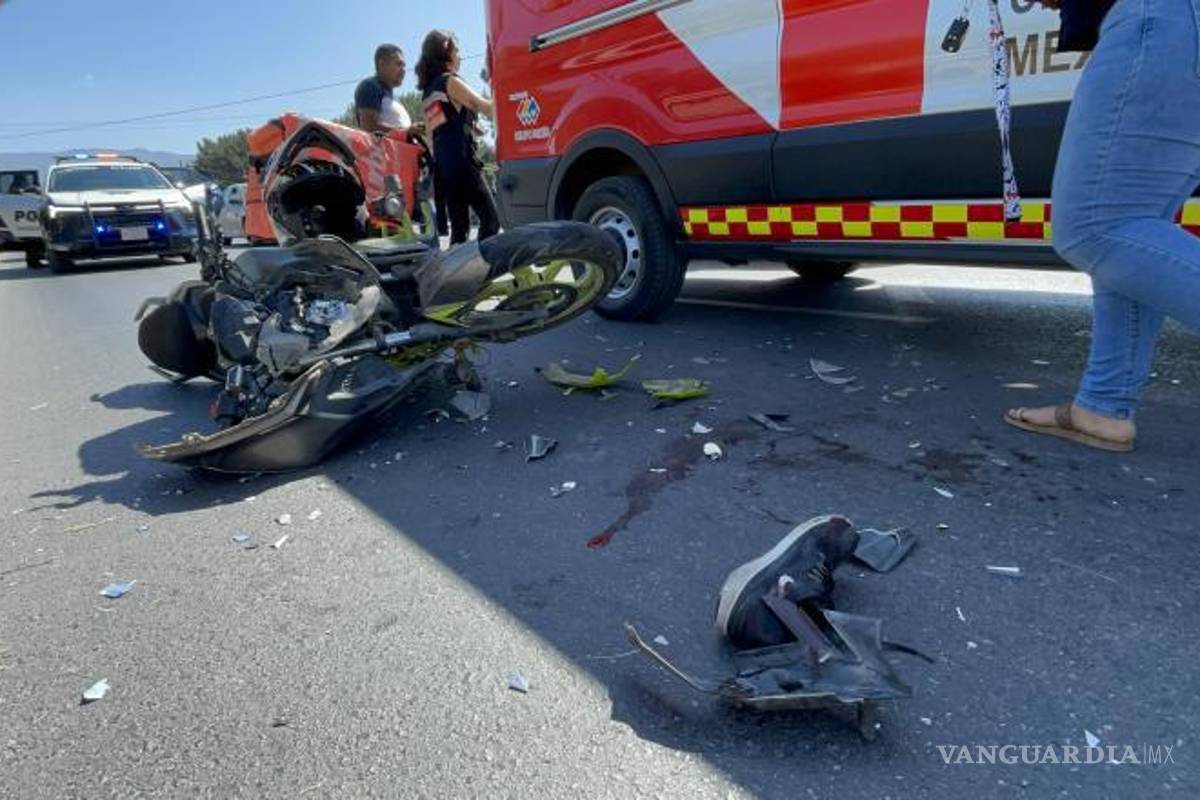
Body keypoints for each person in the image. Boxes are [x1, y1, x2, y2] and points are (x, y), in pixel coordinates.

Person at [1005, 0, 1200, 452]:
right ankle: (1103, 406)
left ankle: (1104, 403)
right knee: (1131, 224)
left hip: (1159, 17)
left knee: (1091, 227)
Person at [415, 30, 500, 245]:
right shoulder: (450, 82)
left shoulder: (428, 92)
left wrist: (469, 127)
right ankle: (482, 274)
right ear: (446, 53)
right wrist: (503, 86)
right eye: (457, 51)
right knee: (491, 221)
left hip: (445, 168)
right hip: (463, 163)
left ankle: (457, 276)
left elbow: (437, 132)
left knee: (460, 232)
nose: (460, 56)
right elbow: (488, 108)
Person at [354, 44, 422, 138]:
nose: (403, 70)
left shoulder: (392, 98)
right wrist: (405, 132)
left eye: (404, 66)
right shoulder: (370, 86)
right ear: (382, 64)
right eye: (398, 64)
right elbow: (369, 128)